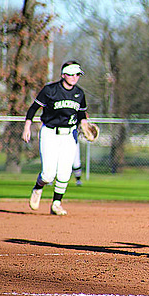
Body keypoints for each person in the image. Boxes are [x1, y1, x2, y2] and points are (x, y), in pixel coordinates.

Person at [22, 60, 90, 215]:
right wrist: (27, 126)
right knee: (48, 174)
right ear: (63, 74)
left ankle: (56, 204)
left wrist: (85, 125)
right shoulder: (50, 90)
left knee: (65, 172)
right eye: (71, 74)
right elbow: (33, 108)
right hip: (50, 133)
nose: (74, 77)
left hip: (69, 135)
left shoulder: (79, 94)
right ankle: (38, 188)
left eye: (77, 74)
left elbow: (81, 114)